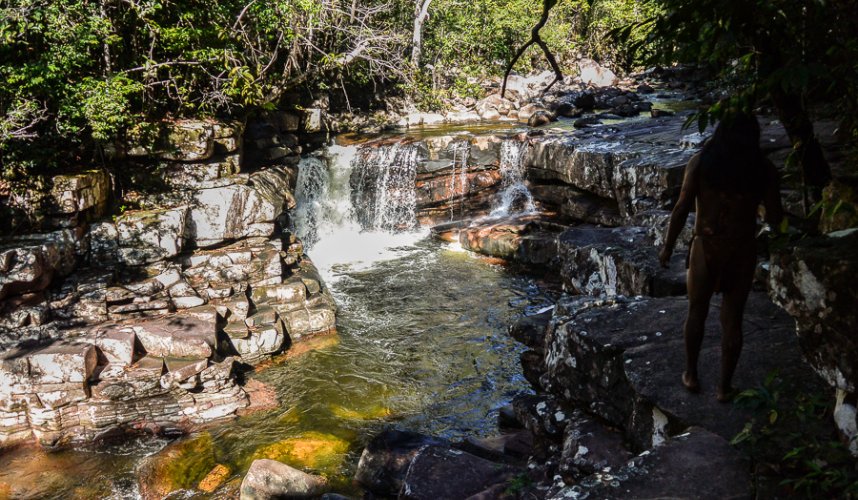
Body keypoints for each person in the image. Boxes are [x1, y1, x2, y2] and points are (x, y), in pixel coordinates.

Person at [659, 112, 783, 402]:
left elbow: (681, 208)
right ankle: (724, 387)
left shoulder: (701, 163)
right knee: (733, 320)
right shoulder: (763, 170)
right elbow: (776, 216)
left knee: (696, 312)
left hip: (706, 246)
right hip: (741, 249)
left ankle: (691, 374)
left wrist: (667, 247)